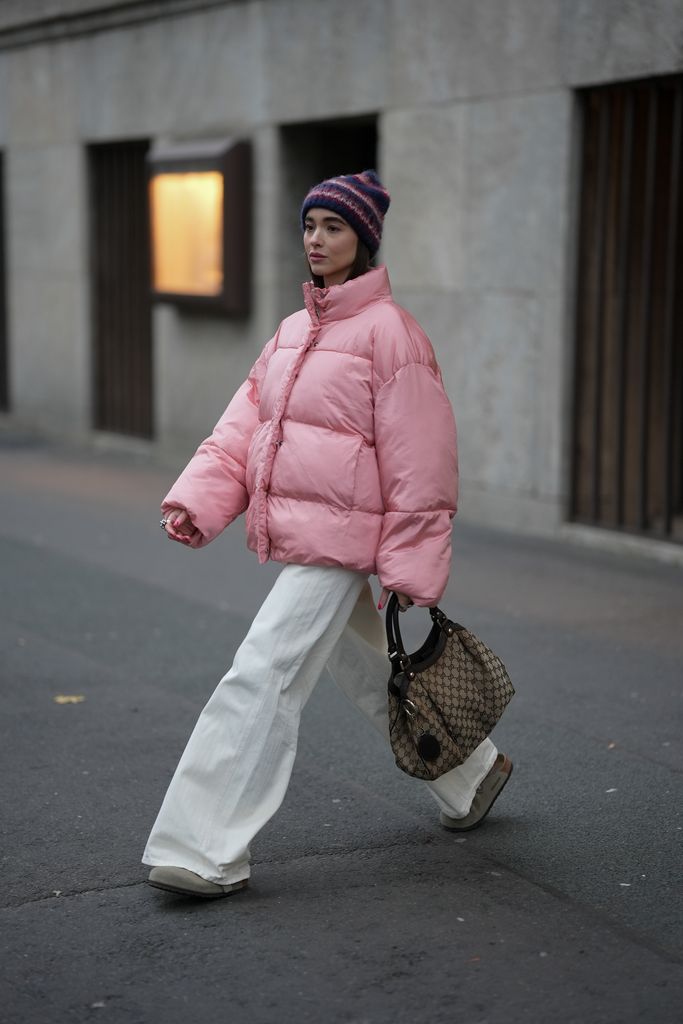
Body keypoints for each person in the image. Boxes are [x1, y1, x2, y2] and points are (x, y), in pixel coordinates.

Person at [143, 170, 513, 899]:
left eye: (333, 227)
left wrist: (410, 566)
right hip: (312, 535)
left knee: (262, 673)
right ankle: (472, 776)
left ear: (363, 240)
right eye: (309, 225)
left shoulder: (390, 334)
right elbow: (242, 426)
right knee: (365, 667)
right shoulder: (292, 331)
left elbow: (422, 458)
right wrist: (199, 499)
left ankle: (205, 846)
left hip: (348, 540)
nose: (315, 239)